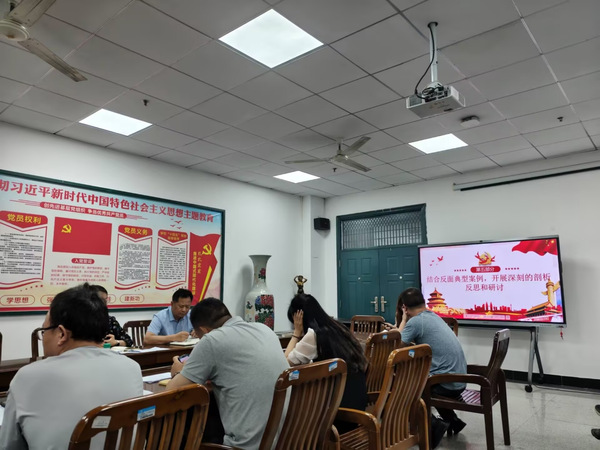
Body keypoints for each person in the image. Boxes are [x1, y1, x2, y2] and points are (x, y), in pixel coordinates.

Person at [0, 283, 143, 449]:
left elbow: (9, 446)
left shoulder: (28, 377)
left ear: (61, 334)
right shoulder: (132, 367)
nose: (43, 337)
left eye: (44, 331)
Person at [166, 298, 288, 449]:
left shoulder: (212, 340)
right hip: (284, 440)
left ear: (204, 330)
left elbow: (171, 392)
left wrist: (178, 372)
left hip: (245, 446)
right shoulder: (264, 329)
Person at [395, 287, 467, 449]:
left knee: (404, 387)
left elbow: (396, 347)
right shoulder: (434, 316)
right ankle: (453, 421)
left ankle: (434, 426)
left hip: (446, 384)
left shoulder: (416, 322)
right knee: (424, 378)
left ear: (404, 308)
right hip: (459, 380)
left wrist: (403, 321)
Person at [285, 294, 368, 422]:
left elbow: (285, 364)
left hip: (339, 413)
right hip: (357, 405)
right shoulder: (338, 327)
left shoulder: (314, 335)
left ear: (299, 318)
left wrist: (296, 333)